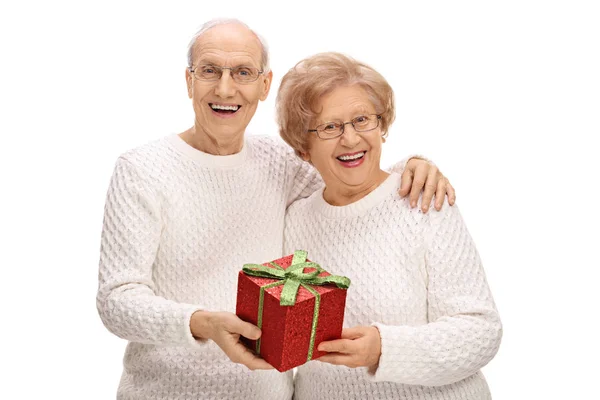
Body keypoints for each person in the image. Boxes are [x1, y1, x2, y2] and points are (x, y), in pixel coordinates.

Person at [97, 19, 454, 400]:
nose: (225, 88)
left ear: (264, 85)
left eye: (243, 72)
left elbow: (348, 172)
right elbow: (116, 300)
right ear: (189, 81)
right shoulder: (142, 170)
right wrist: (202, 324)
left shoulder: (279, 162)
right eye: (209, 71)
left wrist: (412, 165)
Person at [279, 52, 502, 400]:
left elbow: (480, 330)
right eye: (330, 127)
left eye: (362, 120)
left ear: (382, 126)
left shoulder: (422, 201)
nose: (351, 139)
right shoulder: (294, 222)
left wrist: (385, 348)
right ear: (302, 147)